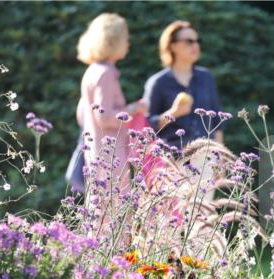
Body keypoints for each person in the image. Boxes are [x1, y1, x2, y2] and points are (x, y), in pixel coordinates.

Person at [75, 13, 146, 195]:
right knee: (113, 215)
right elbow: (105, 117)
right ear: (113, 40)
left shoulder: (92, 71)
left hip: (96, 153)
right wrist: (134, 108)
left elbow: (81, 115)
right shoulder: (105, 73)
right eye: (125, 38)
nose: (128, 43)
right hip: (110, 156)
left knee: (99, 212)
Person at [143, 20, 224, 149]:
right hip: (172, 158)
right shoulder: (158, 82)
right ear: (172, 46)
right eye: (189, 41)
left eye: (198, 41)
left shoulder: (206, 77)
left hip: (206, 157)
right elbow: (147, 126)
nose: (195, 45)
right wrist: (174, 113)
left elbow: (217, 123)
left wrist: (220, 157)